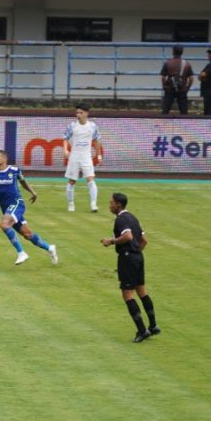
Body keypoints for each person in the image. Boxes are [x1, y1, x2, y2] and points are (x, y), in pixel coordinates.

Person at [0, 150, 58, 266]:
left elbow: (23, 182)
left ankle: (21, 253)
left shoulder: (14, 171)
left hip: (17, 203)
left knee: (4, 224)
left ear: (4, 159)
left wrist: (33, 192)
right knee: (28, 235)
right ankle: (50, 248)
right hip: (6, 208)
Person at [101, 192, 158, 343]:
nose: (110, 204)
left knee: (127, 295)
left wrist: (111, 241)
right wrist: (136, 254)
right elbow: (144, 240)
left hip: (127, 258)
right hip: (138, 257)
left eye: (111, 202)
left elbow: (128, 237)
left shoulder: (121, 219)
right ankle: (153, 326)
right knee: (142, 291)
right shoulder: (133, 217)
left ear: (118, 205)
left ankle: (142, 331)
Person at [62, 104, 103, 213]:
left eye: (81, 113)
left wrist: (99, 155)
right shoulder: (72, 126)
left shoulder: (93, 126)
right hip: (74, 155)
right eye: (77, 113)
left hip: (86, 156)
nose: (78, 115)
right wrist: (65, 150)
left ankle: (93, 204)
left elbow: (96, 141)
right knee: (72, 181)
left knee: (90, 179)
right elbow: (65, 138)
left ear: (86, 113)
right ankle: (71, 203)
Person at [159, 44, 194, 115]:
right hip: (182, 89)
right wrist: (187, 88)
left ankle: (163, 123)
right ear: (182, 52)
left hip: (169, 89)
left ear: (173, 52)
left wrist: (164, 86)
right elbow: (191, 78)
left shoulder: (167, 63)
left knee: (165, 110)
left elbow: (163, 77)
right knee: (184, 111)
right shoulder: (187, 64)